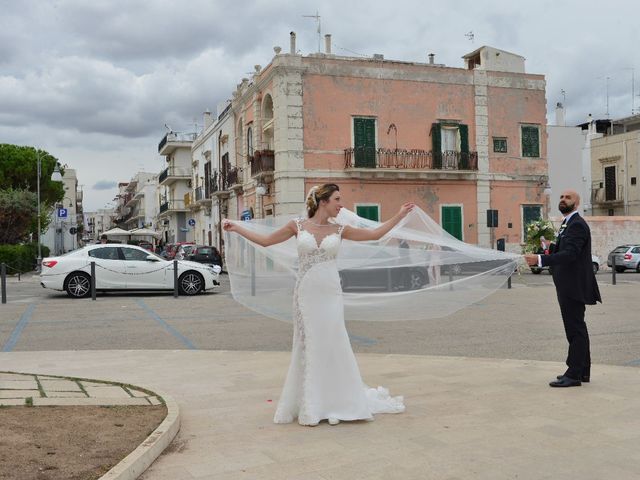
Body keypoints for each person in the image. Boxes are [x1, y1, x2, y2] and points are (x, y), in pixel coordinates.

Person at [223, 183, 412, 426]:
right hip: (306, 294)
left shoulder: (341, 229)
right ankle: (312, 404)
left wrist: (399, 214)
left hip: (331, 293)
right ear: (323, 202)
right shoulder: (297, 225)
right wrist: (237, 228)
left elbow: (375, 235)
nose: (341, 204)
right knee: (309, 343)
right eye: (337, 199)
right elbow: (266, 240)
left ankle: (340, 401)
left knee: (334, 342)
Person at [525, 190, 601, 387]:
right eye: (561, 197)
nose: (563, 200)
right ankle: (582, 371)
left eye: (568, 198)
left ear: (576, 204)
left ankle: (574, 374)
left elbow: (571, 254)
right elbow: (565, 250)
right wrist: (550, 245)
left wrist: (540, 259)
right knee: (577, 328)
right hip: (568, 284)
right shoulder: (568, 223)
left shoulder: (577, 224)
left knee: (575, 330)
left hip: (573, 286)